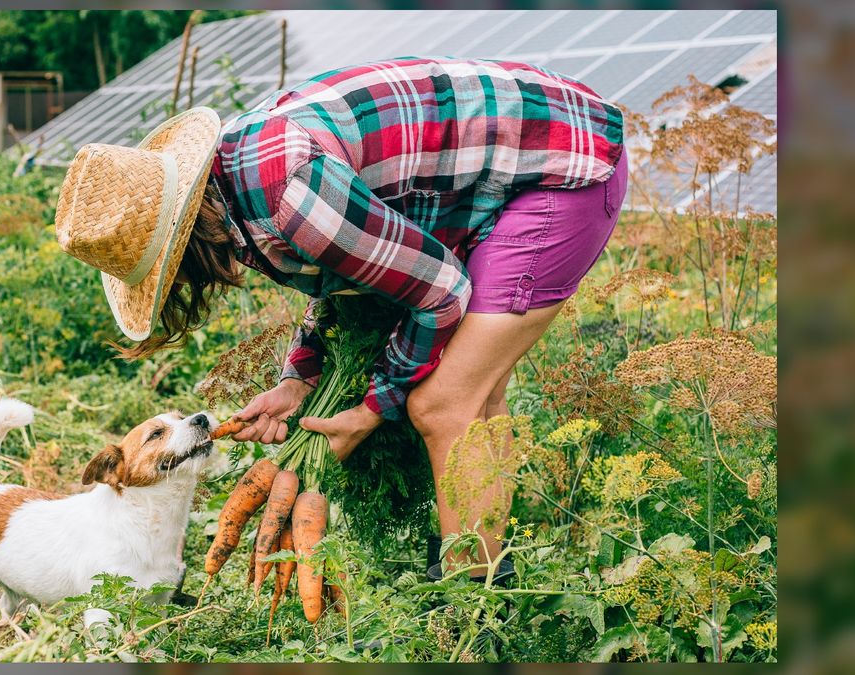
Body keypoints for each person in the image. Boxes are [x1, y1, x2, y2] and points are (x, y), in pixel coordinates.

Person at [55, 57, 626, 581]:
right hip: (509, 170)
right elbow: (351, 273)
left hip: (563, 164)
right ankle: (493, 571)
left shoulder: (287, 191)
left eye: (167, 276)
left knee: (441, 403)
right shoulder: (231, 188)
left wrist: (371, 410)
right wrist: (297, 379)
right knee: (477, 392)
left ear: (182, 249)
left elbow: (441, 290)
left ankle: (470, 598)